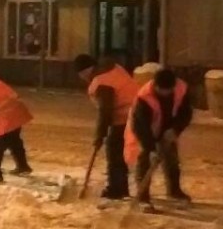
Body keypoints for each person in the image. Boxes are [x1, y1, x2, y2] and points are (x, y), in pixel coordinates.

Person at [73, 54, 139, 200]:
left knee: (114, 153)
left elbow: (105, 112)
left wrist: (99, 135)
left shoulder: (102, 82)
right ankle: (121, 187)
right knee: (118, 153)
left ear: (84, 72)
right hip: (135, 113)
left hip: (126, 117)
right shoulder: (113, 69)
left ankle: (116, 189)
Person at [125, 68, 193, 206]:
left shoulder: (181, 89)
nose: (165, 93)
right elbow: (140, 127)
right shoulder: (144, 97)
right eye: (162, 90)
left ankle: (174, 191)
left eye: (168, 91)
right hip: (146, 131)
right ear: (155, 85)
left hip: (167, 128)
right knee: (145, 161)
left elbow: (185, 113)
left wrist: (175, 129)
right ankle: (143, 196)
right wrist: (150, 148)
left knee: (172, 161)